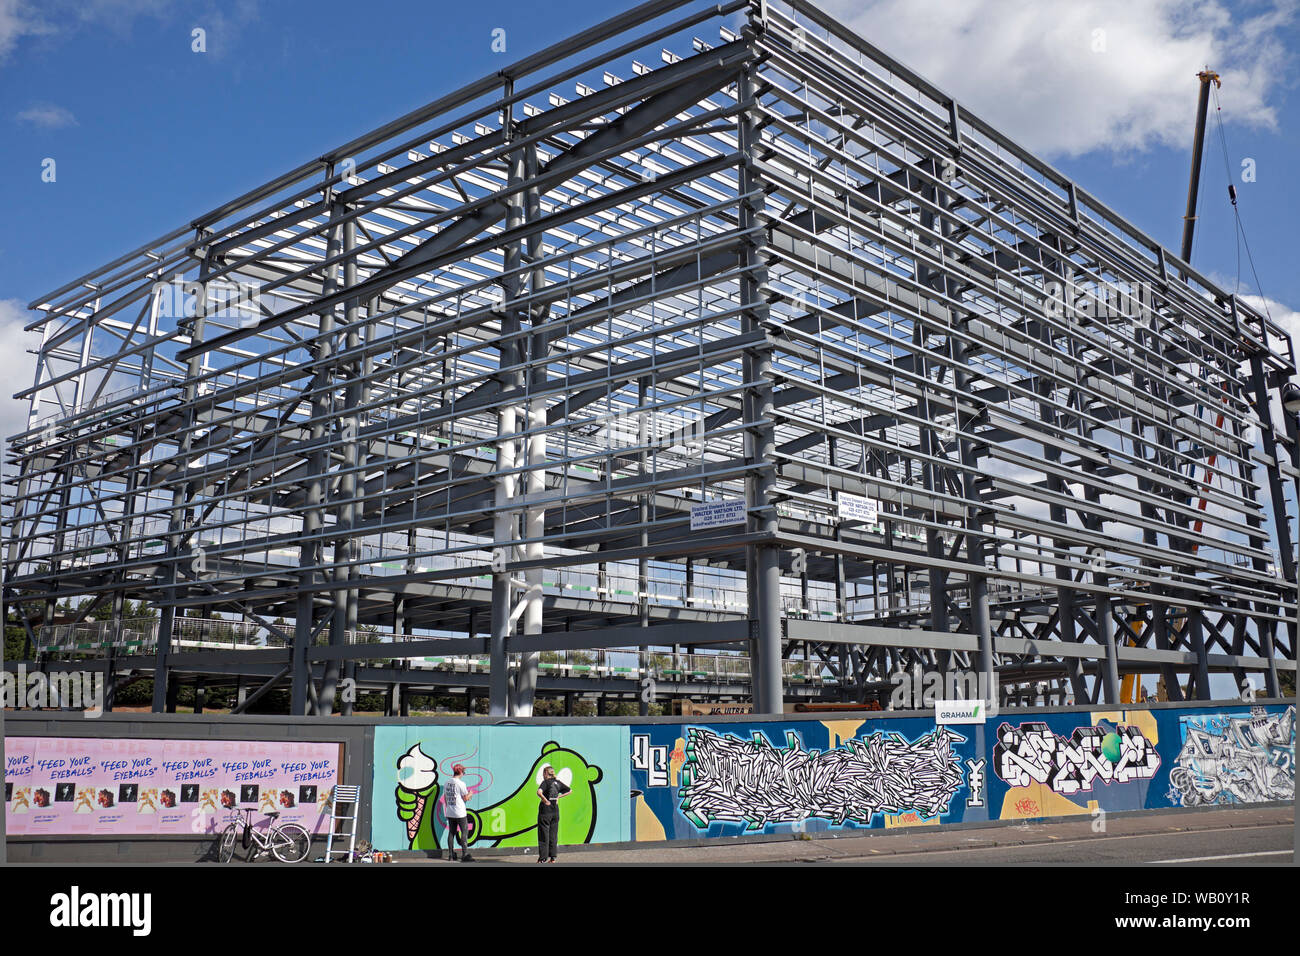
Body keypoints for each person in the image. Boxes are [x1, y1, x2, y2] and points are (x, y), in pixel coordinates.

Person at [535, 765, 570, 863]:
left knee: (543, 835)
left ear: (546, 773)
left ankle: (542, 858)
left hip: (545, 812)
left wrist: (545, 800)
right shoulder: (558, 783)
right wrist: (558, 797)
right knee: (553, 835)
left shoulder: (546, 782)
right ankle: (553, 858)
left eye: (543, 773)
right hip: (555, 812)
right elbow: (570, 791)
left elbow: (539, 792)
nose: (543, 775)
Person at [443, 764, 473, 862]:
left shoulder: (447, 782)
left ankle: (451, 855)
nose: (464, 773)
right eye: (463, 772)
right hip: (459, 812)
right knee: (464, 831)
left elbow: (446, 798)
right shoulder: (461, 783)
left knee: (452, 832)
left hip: (450, 811)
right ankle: (465, 855)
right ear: (460, 772)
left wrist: (448, 809)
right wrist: (471, 793)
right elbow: (465, 798)